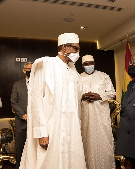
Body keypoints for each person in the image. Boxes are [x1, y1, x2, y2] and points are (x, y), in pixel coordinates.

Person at [19, 33, 86, 169]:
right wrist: (42, 132)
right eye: (75, 48)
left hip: (70, 128)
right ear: (64, 47)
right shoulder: (46, 64)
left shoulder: (73, 72)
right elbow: (36, 101)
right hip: (51, 127)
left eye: (78, 49)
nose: (77, 53)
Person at [81, 54, 116, 169]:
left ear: (94, 63)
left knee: (103, 142)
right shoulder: (78, 78)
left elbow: (112, 93)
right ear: (82, 65)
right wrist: (82, 96)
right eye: (86, 64)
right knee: (86, 142)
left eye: (90, 63)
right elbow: (72, 95)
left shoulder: (103, 76)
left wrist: (99, 96)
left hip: (101, 116)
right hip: (85, 116)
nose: (89, 66)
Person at [11, 61, 33, 169]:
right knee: (20, 149)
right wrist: (23, 115)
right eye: (28, 69)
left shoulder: (39, 84)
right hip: (21, 123)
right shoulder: (17, 84)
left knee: (34, 150)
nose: (30, 71)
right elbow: (13, 102)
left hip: (35, 123)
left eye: (32, 69)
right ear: (24, 70)